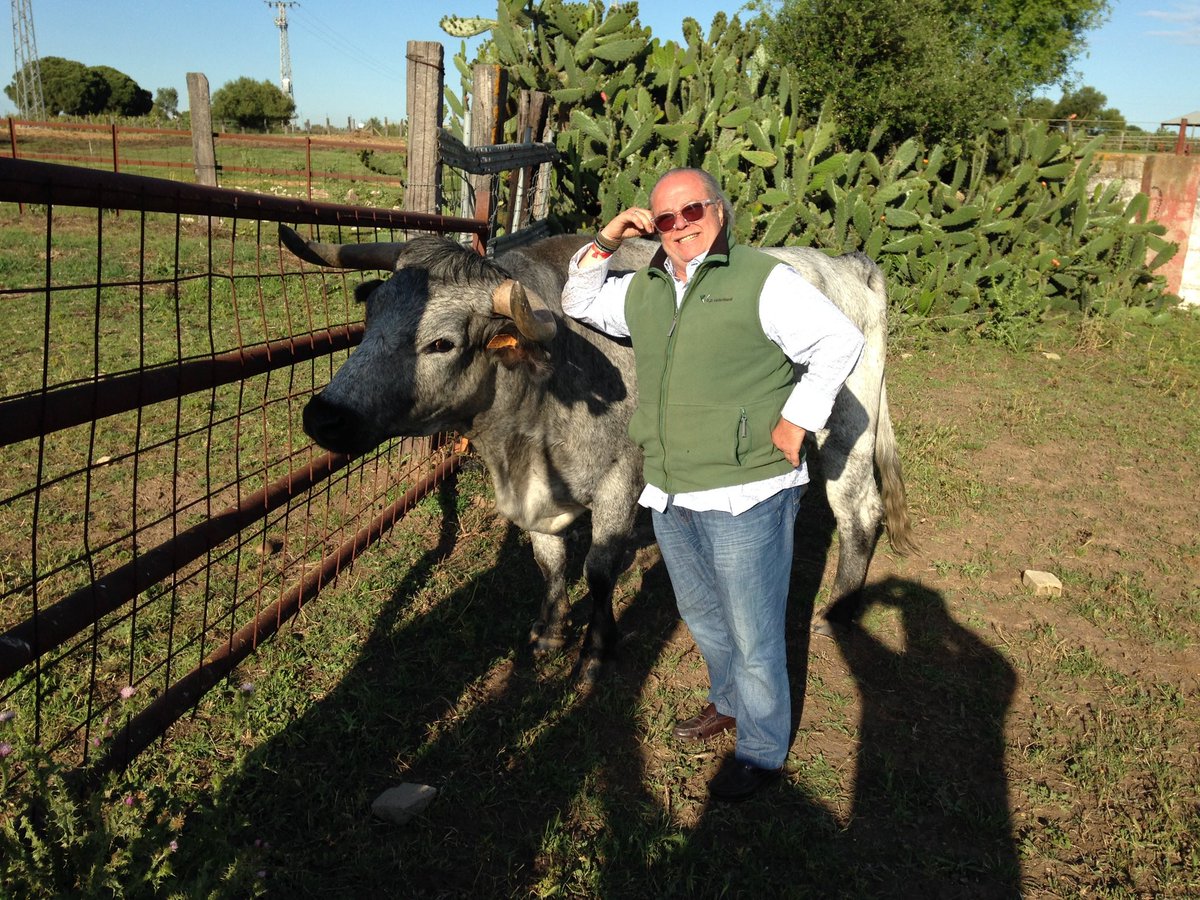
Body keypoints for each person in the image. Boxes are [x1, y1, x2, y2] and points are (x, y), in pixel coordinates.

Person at [561, 168, 865, 802]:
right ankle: (727, 701)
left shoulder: (761, 280)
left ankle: (760, 749)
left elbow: (840, 340)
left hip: (746, 490)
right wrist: (608, 240)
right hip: (671, 490)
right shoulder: (644, 288)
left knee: (754, 631)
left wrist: (798, 419)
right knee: (702, 613)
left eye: (691, 211)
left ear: (718, 212)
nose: (679, 226)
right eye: (664, 218)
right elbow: (579, 301)